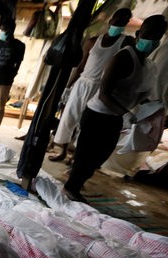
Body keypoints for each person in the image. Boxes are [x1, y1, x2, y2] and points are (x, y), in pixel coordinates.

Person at [63, 15, 168, 203]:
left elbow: (140, 94)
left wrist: (154, 109)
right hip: (98, 114)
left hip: (115, 117)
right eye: (149, 35)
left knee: (100, 156)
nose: (152, 40)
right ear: (138, 34)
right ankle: (71, 187)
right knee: (87, 155)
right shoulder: (122, 58)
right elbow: (104, 94)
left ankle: (75, 184)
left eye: (157, 36)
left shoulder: (148, 65)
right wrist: (126, 113)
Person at [48, 8, 134, 162]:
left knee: (86, 123)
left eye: (124, 21)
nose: (120, 24)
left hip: (102, 88)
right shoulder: (93, 41)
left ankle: (75, 157)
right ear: (111, 21)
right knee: (69, 117)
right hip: (83, 83)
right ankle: (62, 151)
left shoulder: (125, 42)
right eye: (118, 20)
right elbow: (80, 67)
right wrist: (68, 87)